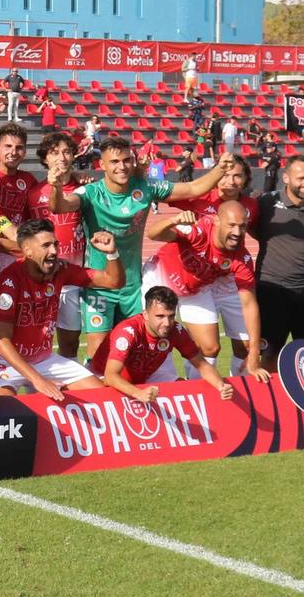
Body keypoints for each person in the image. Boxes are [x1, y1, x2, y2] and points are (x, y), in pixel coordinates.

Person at [42, 135, 228, 372]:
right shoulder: (90, 192)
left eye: (127, 160)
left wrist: (220, 168)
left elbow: (192, 188)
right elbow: (59, 206)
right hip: (99, 286)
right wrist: (55, 187)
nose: (122, 167)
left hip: (133, 287)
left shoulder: (146, 187)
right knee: (98, 354)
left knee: (138, 350)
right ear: (102, 165)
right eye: (115, 162)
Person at [0, 218, 124, 399]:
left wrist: (111, 253)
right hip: (3, 359)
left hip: (44, 359)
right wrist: (38, 380)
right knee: (6, 408)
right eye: (46, 246)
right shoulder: (9, 281)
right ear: (27, 251)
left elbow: (113, 281)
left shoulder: (60, 270)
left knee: (104, 398)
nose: (54, 251)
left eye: (55, 245)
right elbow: (2, 343)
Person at [140, 201, 263, 376]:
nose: (237, 232)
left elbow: (249, 305)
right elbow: (153, 234)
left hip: (193, 290)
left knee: (210, 347)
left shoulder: (241, 258)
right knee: (153, 341)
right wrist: (173, 220)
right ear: (217, 221)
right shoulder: (199, 232)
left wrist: (254, 350)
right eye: (232, 225)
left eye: (242, 227)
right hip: (160, 280)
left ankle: (197, 388)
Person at [97, 286, 250, 403]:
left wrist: (220, 386)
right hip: (104, 376)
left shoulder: (176, 330)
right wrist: (138, 393)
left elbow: (202, 365)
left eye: (171, 316)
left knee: (185, 390)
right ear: (145, 314)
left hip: (145, 374)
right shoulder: (128, 332)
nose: (167, 323)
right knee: (107, 396)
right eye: (160, 316)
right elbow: (111, 376)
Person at [250, 155, 304, 371]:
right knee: (269, 357)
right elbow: (252, 228)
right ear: (286, 178)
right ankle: (269, 403)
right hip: (271, 289)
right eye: (300, 178)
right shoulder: (266, 203)